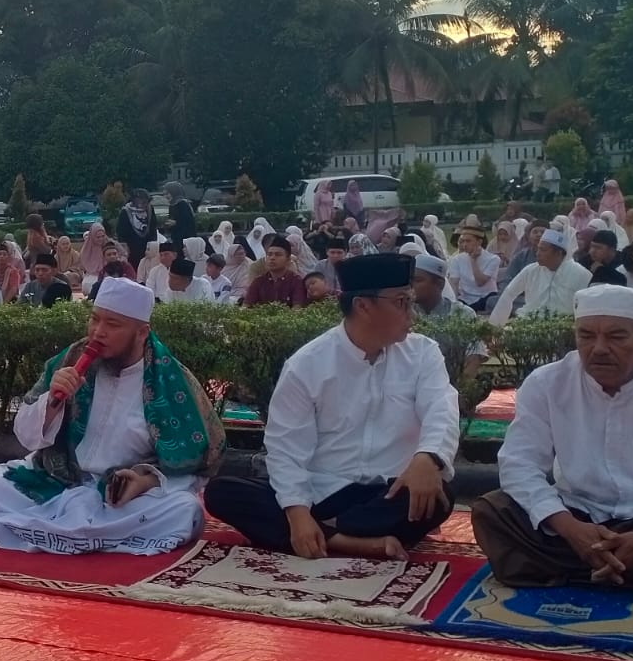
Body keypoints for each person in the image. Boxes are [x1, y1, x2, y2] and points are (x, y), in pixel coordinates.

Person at [0, 278, 222, 555]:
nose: (97, 332)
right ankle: (70, 534)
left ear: (141, 332)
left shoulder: (170, 380)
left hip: (117, 497)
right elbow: (26, 436)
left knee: (184, 510)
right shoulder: (69, 360)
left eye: (112, 324)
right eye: (95, 319)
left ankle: (38, 530)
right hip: (55, 477)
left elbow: (192, 463)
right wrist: (51, 403)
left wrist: (145, 481)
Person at [205, 254, 459, 559]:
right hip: (323, 493)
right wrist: (298, 514)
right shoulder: (307, 364)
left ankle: (324, 534)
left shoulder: (423, 353)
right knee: (222, 493)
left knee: (439, 494)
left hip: (389, 493)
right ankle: (347, 541)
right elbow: (286, 448)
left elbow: (441, 408)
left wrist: (427, 458)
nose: (411, 313)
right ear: (363, 306)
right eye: (401, 302)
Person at [473, 285, 633, 590]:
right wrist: (568, 527)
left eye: (616, 336)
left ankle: (580, 570)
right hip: (575, 514)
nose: (599, 348)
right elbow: (519, 464)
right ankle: (621, 570)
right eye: (586, 336)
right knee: (492, 511)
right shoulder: (547, 383)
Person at [410, 253, 488, 380]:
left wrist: (459, 393)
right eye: (410, 280)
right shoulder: (402, 312)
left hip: (450, 387)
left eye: (418, 280)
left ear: (439, 284)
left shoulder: (462, 313)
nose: (411, 285)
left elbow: (474, 357)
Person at [487, 228, 589, 324]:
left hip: (564, 325)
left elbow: (586, 308)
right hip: (530, 322)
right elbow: (508, 294)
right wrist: (496, 326)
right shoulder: (531, 270)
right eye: (538, 249)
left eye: (543, 250)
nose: (538, 253)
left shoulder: (581, 274)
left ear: (558, 253)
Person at [446, 226, 501, 312]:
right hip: (465, 298)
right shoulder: (456, 259)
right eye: (462, 241)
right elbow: (454, 283)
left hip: (486, 297)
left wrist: (473, 260)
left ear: (479, 242)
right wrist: (454, 302)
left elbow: (480, 282)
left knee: (493, 301)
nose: (464, 244)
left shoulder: (493, 259)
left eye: (468, 241)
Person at [243, 237, 308, 307]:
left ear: (288, 259)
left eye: (278, 254)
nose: (272, 258)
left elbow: (297, 309)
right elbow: (245, 307)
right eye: (269, 254)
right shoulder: (259, 281)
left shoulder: (296, 281)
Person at [114, 189, 155, 269]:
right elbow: (121, 231)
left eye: (145, 201)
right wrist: (124, 246)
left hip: (147, 244)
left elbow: (153, 227)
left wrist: (153, 243)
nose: (143, 204)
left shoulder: (150, 209)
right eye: (140, 200)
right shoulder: (126, 211)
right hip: (131, 244)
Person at [162, 181, 197, 246]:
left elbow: (188, 222)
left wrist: (176, 223)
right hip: (177, 239)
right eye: (164, 194)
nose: (165, 196)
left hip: (186, 240)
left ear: (174, 192)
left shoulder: (183, 204)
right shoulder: (172, 205)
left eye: (167, 194)